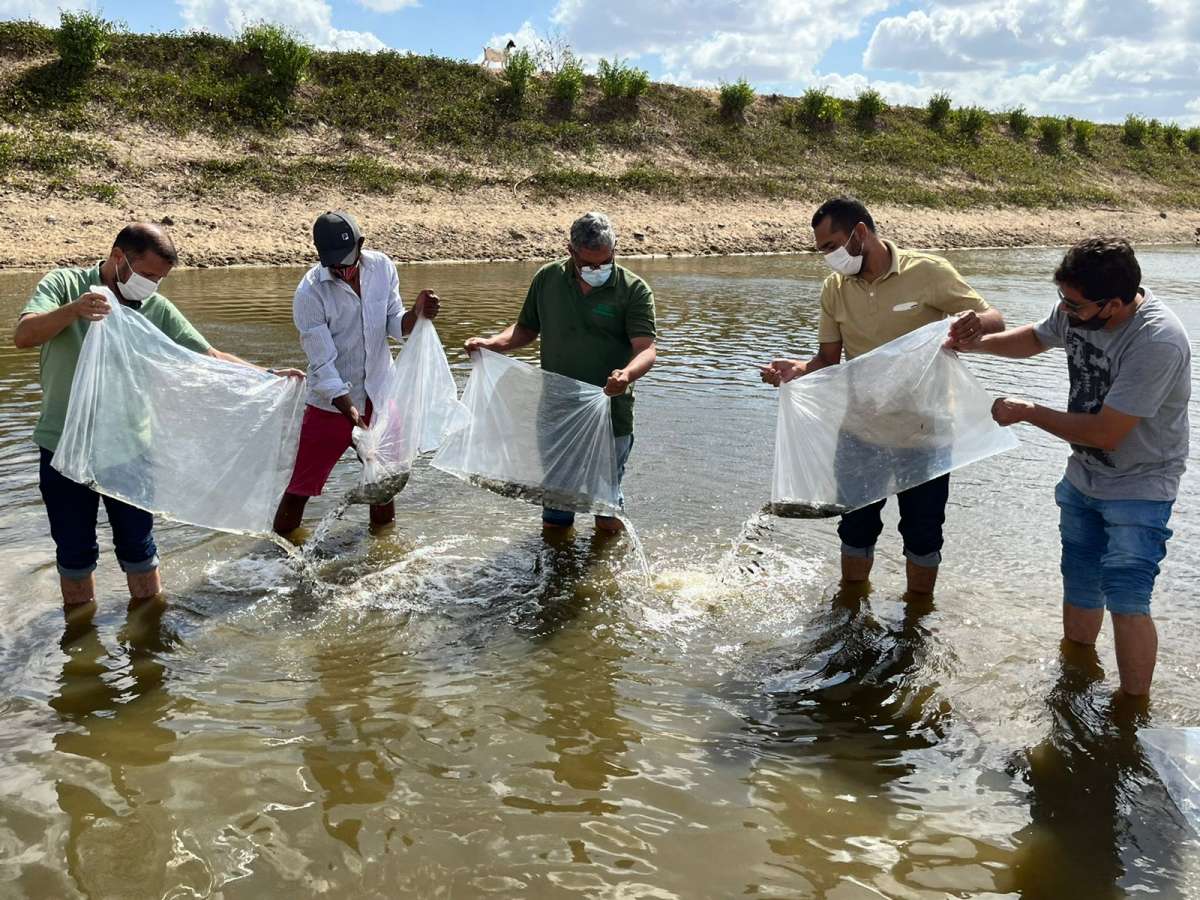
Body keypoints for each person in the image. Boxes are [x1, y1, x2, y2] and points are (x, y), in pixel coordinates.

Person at [13, 222, 302, 607]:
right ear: (119, 258)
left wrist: (265, 376)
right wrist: (74, 310)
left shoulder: (154, 307)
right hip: (64, 446)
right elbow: (24, 335)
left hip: (129, 451)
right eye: (147, 275)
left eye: (160, 278)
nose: (153, 285)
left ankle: (148, 635)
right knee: (74, 554)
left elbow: (207, 356)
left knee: (139, 548)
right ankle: (81, 636)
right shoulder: (65, 284)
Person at [958, 237, 1190, 696]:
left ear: (1117, 303)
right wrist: (974, 345)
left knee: (1127, 598)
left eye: (1075, 304)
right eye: (1062, 299)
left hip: (1140, 486)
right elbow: (1034, 338)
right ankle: (1075, 685)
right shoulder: (1078, 308)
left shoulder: (1157, 340)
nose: (1065, 310)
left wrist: (1028, 411)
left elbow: (1106, 433)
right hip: (1084, 478)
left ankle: (1131, 711)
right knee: (1080, 582)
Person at [760, 196, 1005, 595]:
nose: (828, 257)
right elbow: (826, 358)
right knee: (855, 529)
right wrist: (795, 372)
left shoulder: (926, 271)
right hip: (859, 434)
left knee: (923, 536)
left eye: (831, 246)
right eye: (821, 249)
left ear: (859, 232)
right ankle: (851, 608)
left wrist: (973, 324)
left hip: (925, 435)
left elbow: (995, 318)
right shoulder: (835, 288)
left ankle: (917, 618)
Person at [464, 211, 657, 532]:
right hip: (557, 408)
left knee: (605, 505)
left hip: (610, 411)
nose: (598, 270)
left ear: (615, 250)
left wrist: (625, 376)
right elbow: (525, 329)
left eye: (605, 262)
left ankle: (605, 571)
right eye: (589, 264)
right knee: (555, 502)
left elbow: (646, 349)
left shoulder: (633, 290)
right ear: (571, 251)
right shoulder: (547, 279)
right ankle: (555, 568)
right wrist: (492, 344)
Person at [273, 211, 440, 536]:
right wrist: (354, 418)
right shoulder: (309, 293)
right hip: (331, 406)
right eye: (334, 266)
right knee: (300, 488)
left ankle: (383, 548)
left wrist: (416, 314)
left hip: (380, 394)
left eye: (347, 264)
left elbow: (394, 324)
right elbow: (323, 366)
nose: (342, 272)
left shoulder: (382, 268)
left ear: (361, 246)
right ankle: (276, 555)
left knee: (384, 481)